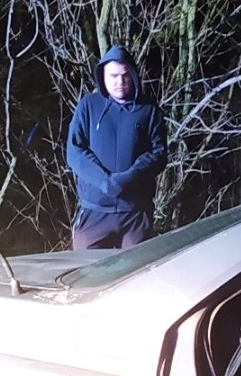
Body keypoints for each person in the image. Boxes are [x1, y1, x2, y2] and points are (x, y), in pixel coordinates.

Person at [66, 45, 168, 250]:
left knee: (138, 276)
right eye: (113, 75)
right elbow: (74, 151)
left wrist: (129, 177)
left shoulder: (148, 109)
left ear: (133, 75)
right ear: (102, 75)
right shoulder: (88, 106)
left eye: (125, 75)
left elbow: (159, 154)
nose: (119, 82)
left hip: (135, 213)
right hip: (94, 212)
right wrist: (105, 182)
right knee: (87, 276)